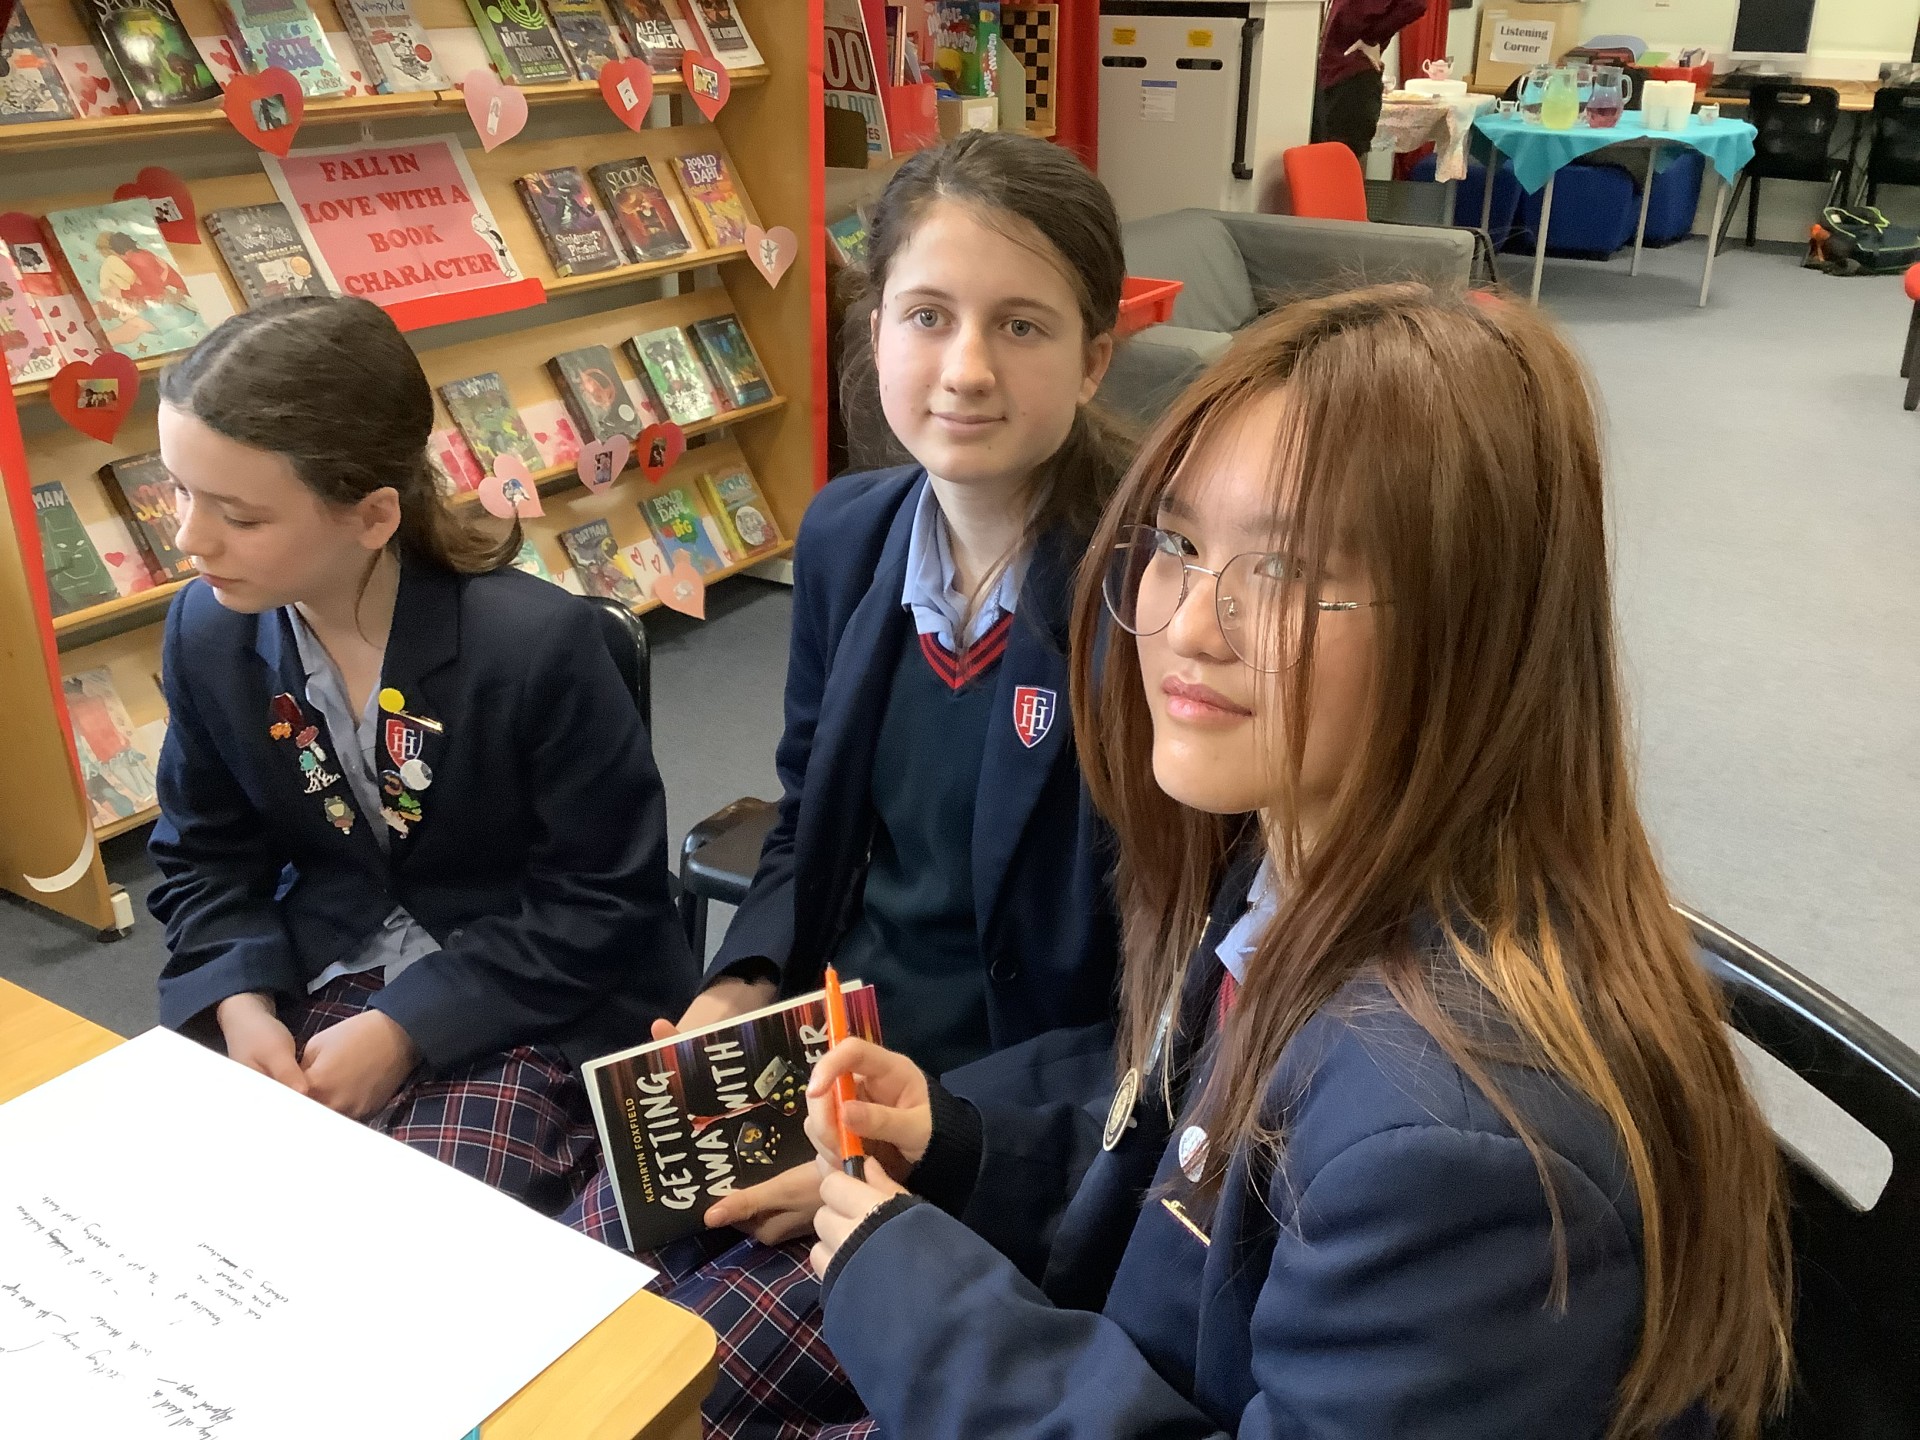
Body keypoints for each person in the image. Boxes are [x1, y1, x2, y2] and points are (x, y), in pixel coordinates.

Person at [801, 285, 1793, 1440]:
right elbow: (1198, 1192)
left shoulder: (1454, 1150)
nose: (1188, 626)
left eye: (1281, 571)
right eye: (1179, 544)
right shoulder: (1296, 859)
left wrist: (924, 1309)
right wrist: (961, 1147)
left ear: (1468, 628)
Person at [563, 129, 1133, 1437]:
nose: (966, 368)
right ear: (875, 330)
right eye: (927, 316)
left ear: (1096, 358)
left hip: (997, 1123)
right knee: (569, 1277)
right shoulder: (847, 533)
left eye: (1023, 326)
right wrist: (746, 978)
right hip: (826, 1057)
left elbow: (1163, 1014)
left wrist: (906, 1144)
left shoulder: (1149, 599)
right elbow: (803, 818)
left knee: (667, 1384)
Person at [148, 294, 697, 1212]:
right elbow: (205, 855)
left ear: (372, 516)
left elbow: (601, 901)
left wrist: (404, 1028)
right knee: (201, 1194)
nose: (188, 539)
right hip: (320, 959)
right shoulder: (208, 630)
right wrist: (239, 1004)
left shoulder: (536, 647)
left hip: (526, 991)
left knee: (412, 1216)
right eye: (178, 491)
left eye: (238, 516)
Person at [1312, 0, 1428, 158]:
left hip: (1351, 79)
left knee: (1339, 159)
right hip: (1327, 75)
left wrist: (1371, 38)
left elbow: (1415, 4)